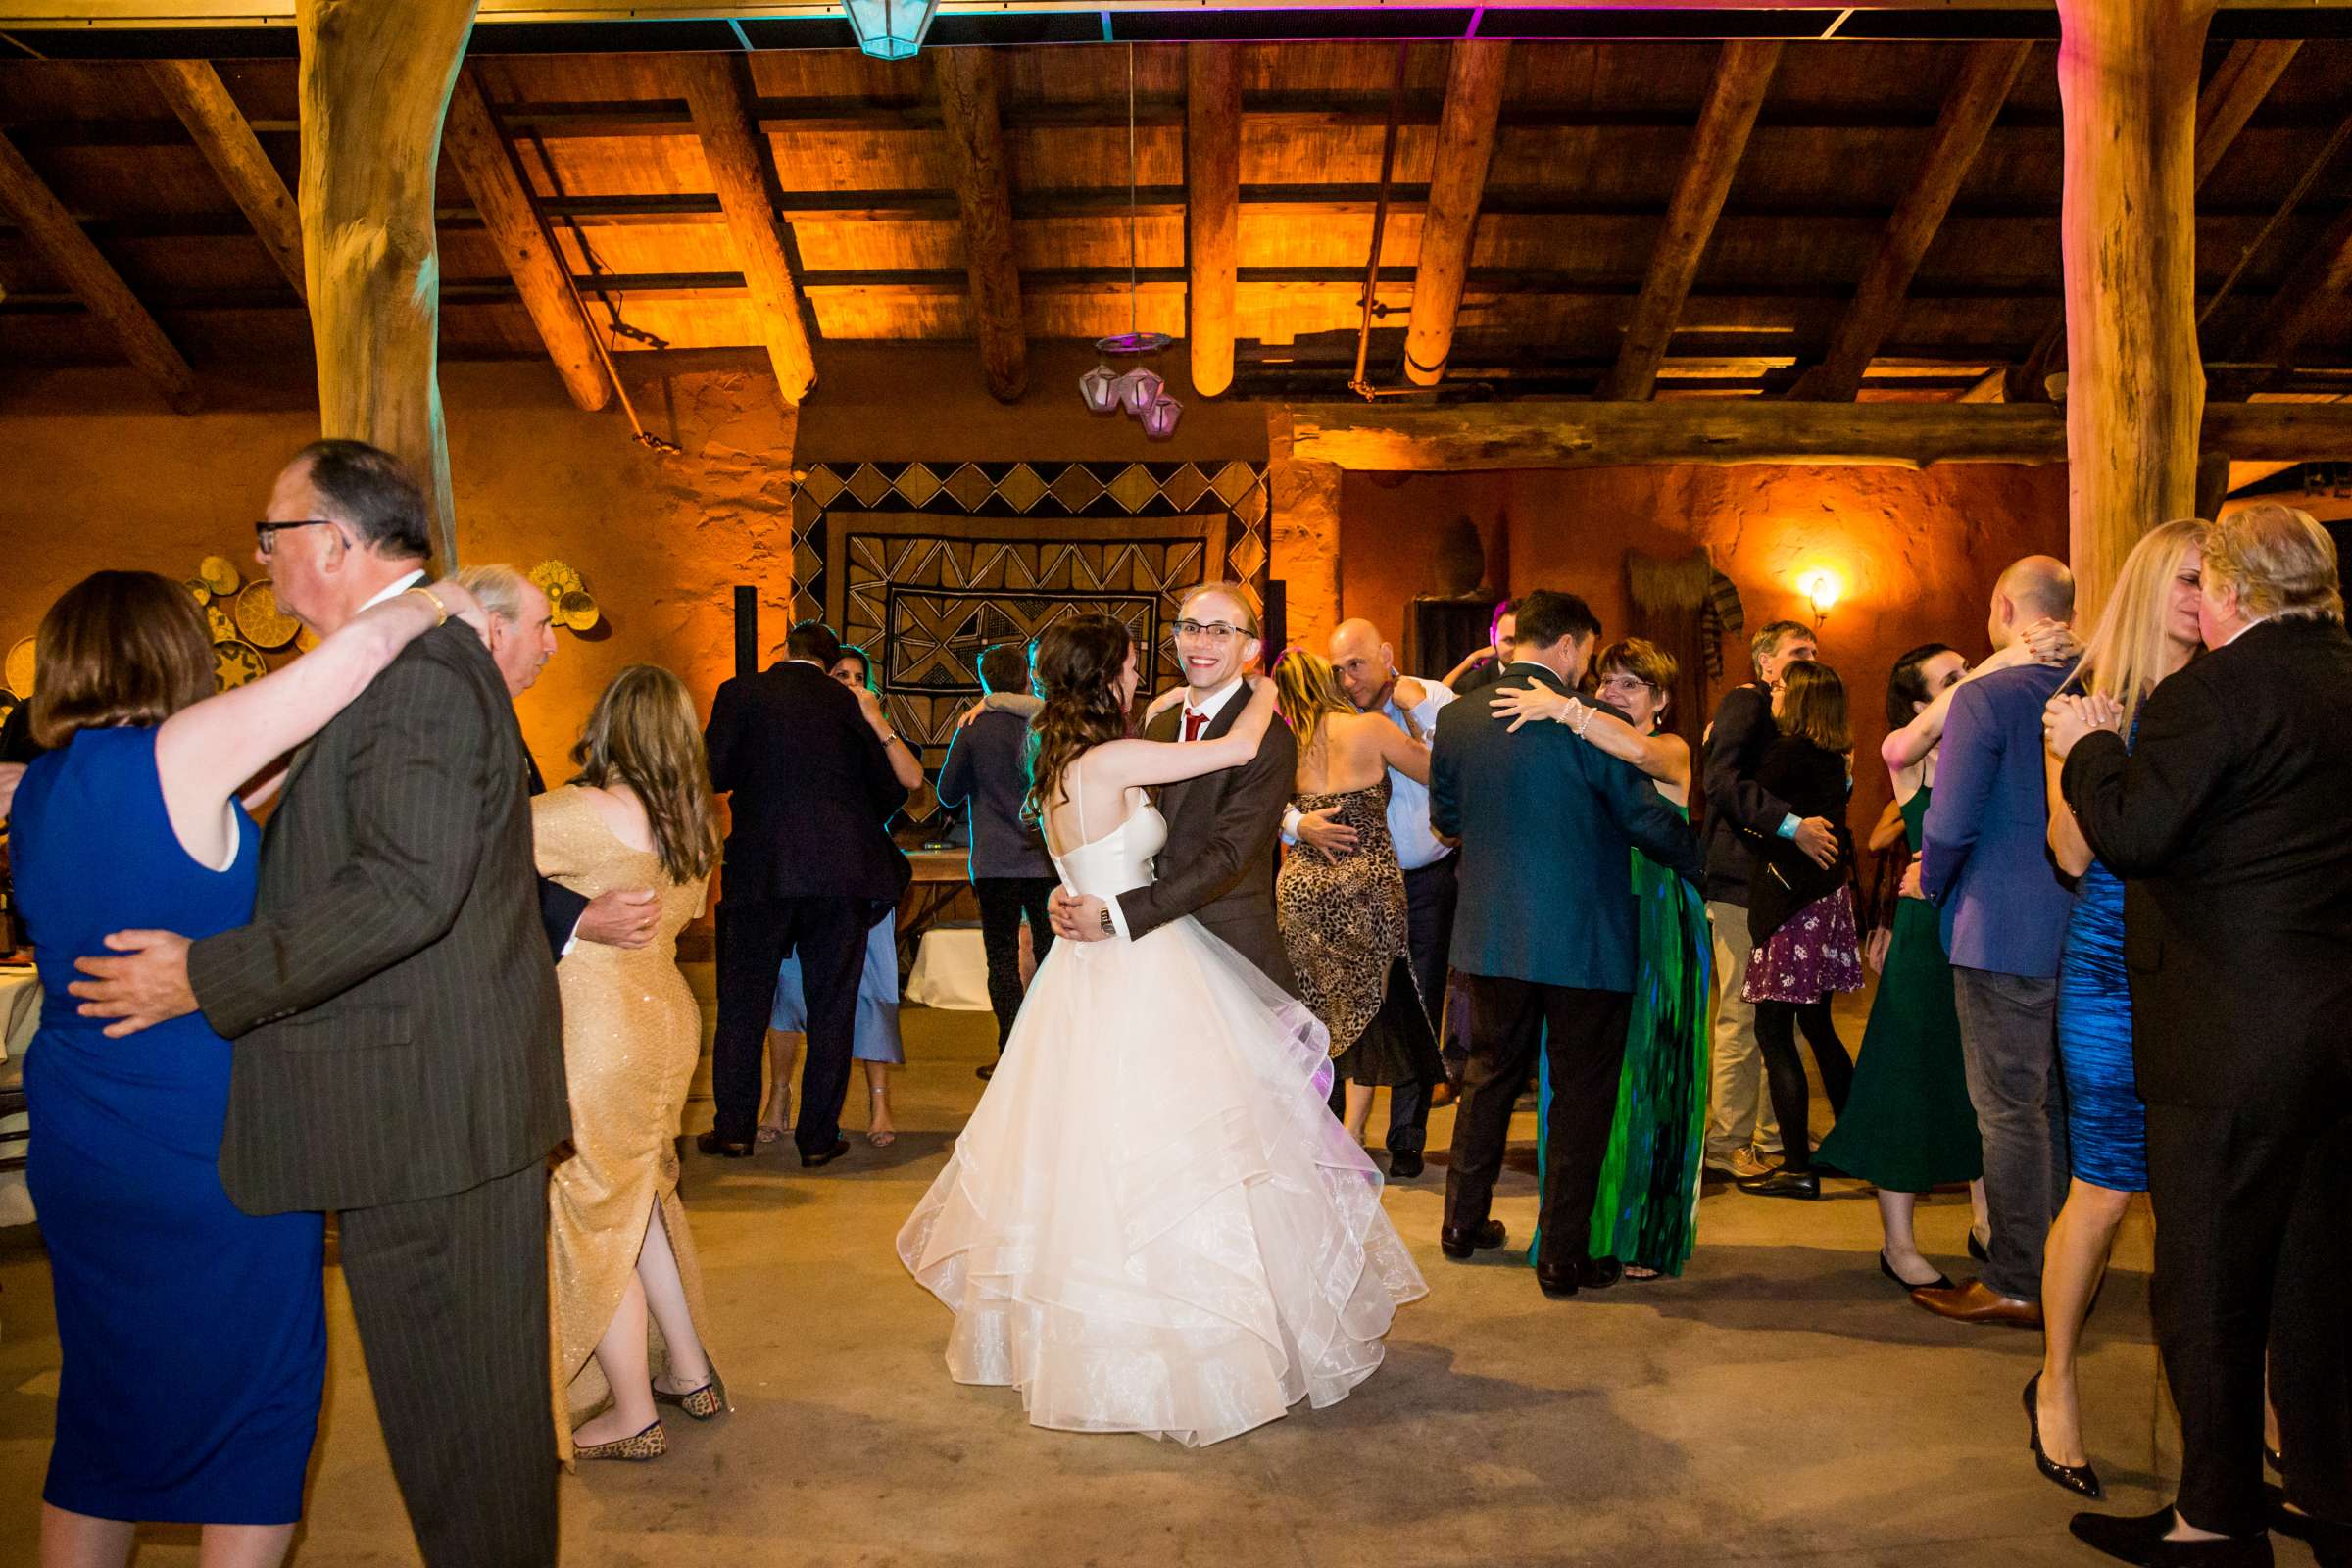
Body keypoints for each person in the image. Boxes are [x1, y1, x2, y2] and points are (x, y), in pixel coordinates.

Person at [69, 440, 569, 1568]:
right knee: (457, 1440)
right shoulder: (387, 668)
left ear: (334, 542)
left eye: (271, 532)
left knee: (469, 1451)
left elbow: (404, 890)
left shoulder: (415, 677)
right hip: (418, 1112)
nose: (259, 555)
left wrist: (202, 974)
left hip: (429, 1121)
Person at [14, 566, 480, 1568]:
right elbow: (350, 661)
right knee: (259, 1409)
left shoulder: (44, 785)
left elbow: (250, 784)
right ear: (175, 650)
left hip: (83, 1138)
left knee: (106, 1408)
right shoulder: (178, 755)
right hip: (204, 1142)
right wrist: (431, 599)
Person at [898, 614, 1425, 1445]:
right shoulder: (1114, 756)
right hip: (1140, 960)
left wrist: (1076, 899)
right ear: (1109, 675)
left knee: (1093, 1146)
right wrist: (1257, 683)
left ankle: (1086, 1337)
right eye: (1140, 663)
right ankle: (1181, 1342)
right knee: (1178, 1142)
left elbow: (1081, 858)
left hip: (1090, 965)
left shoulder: (1058, 757)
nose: (1149, 674)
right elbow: (1237, 751)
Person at [2051, 504, 2352, 1568]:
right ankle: (2327, 1492)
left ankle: (2216, 1517)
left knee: (2209, 1287)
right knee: (2317, 1280)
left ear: (2228, 591)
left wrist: (2089, 749)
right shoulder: (2342, 675)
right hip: (2330, 1033)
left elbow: (2130, 834)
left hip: (2226, 1037)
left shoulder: (2208, 692)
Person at [1430, 590, 1705, 1298]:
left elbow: (1447, 817)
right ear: (1569, 645)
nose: (1588, 668)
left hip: (1492, 934)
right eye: (1587, 653)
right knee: (1581, 1096)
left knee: (1487, 1076)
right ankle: (1561, 1256)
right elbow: (1644, 819)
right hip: (1585, 938)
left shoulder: (1458, 718)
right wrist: (1704, 860)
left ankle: (1461, 1225)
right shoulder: (1594, 724)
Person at [2028, 519, 2208, 1502]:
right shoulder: (2089, 699)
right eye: (2185, 578)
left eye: (2211, 580)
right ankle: (2055, 1382)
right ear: (2149, 586)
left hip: (2204, 972)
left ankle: (2240, 1403)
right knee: (2103, 1193)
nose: (2199, 594)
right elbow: (2068, 851)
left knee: (2204, 1200)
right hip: (2107, 969)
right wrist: (2086, 754)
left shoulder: (2229, 691)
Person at [538, 663, 728, 1464]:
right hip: (669, 1019)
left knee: (593, 1213)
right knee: (639, 1200)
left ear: (606, 724)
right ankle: (690, 1371)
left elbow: (465, 869)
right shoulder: (696, 827)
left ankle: (630, 1412)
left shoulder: (568, 816)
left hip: (599, 1029)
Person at [1489, 636, 1713, 1278]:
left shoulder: (1668, 748)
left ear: (1661, 701)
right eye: (1607, 680)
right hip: (1591, 919)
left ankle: (1641, 1230)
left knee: (1650, 1070)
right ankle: (1575, 1231)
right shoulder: (1583, 742)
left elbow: (1640, 753)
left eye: (1630, 686)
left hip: (1659, 919)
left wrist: (1562, 710)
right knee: (1582, 1079)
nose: (1613, 693)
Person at [1910, 555, 2079, 1329]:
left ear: (2004, 606)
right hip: (2084, 928)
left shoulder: (1988, 695)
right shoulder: (2103, 684)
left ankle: (2016, 1278)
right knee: (2059, 1107)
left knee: (2010, 1111)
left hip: (2000, 925)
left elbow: (1948, 821)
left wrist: (1933, 881)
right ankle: (2063, 1267)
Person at [700, 619, 909, 1167]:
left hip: (759, 871)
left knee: (743, 1004)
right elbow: (887, 790)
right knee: (832, 1006)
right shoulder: (848, 704)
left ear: (784, 651)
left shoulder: (739, 693)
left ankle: (734, 1130)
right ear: (829, 659)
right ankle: (818, 1137)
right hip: (840, 876)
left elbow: (714, 772)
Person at [1811, 644, 1986, 1285]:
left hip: (1978, 927)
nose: (1968, 683)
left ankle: (1988, 1224)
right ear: (1920, 702)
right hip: (1924, 936)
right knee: (1907, 1080)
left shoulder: (1983, 747)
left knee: (1979, 1080)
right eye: (1951, 678)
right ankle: (1898, 1244)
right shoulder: (1909, 755)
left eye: (1969, 671)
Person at [1047, 583, 1298, 991]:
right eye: (1191, 628)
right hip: (1144, 953)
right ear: (1176, 638)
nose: (1202, 642)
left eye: (1220, 631)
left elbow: (1229, 858)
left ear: (1250, 651)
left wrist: (1115, 914)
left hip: (1230, 946)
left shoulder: (1270, 738)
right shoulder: (1158, 723)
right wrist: (1078, 884)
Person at [1269, 648, 1444, 1161]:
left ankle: (1312, 1131)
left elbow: (1255, 805)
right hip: (1366, 887)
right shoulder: (1368, 729)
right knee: (1369, 1007)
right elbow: (1438, 773)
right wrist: (1419, 720)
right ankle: (1353, 1133)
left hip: (1301, 889)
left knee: (1313, 1013)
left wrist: (1296, 821)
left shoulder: (1282, 745)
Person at [454, 564, 662, 961]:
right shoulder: (460, 716)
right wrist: (577, 917)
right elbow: (471, 855)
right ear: (497, 630)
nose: (553, 645)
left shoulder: (487, 708)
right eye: (542, 626)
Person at [1306, 615, 1459, 1149]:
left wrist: (1420, 717)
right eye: (1340, 670)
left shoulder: (1436, 698)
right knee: (1351, 1005)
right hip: (1355, 891)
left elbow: (1461, 773)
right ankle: (1340, 1127)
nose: (1350, 680)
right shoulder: (1327, 722)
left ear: (1387, 653)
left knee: (1418, 1002)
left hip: (1424, 881)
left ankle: (1408, 1133)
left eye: (1358, 664)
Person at [760, 645, 912, 1150]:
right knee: (789, 989)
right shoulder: (810, 731)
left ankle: (880, 1100)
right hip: (807, 881)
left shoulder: (873, 729)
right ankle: (778, 1095)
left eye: (857, 676)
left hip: (865, 883)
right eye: (839, 675)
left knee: (875, 990)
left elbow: (913, 781)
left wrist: (876, 720)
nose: (848, 682)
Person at [1697, 619, 1833, 1184]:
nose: (1810, 658)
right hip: (1739, 881)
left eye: (1815, 650)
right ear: (1764, 663)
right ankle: (1727, 1142)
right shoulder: (1746, 704)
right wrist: (1792, 824)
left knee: (1778, 1017)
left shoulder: (1798, 718)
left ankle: (1774, 1133)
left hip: (1779, 888)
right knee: (1741, 1012)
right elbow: (1720, 781)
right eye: (1797, 651)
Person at [1733, 661, 1863, 1201]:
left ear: (1804, 699)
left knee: (1773, 1033)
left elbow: (1747, 810)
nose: (1773, 693)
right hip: (1823, 902)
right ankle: (1856, 1142)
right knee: (1818, 1027)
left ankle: (1797, 1165)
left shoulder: (1787, 754)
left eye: (1782, 686)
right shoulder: (1833, 759)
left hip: (1792, 905)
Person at [937, 639, 1054, 1083]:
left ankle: (1008, 1050)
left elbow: (946, 793)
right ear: (1026, 674)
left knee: (1001, 957)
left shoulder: (974, 730)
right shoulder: (1046, 725)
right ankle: (1046, 1049)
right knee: (1049, 955)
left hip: (993, 861)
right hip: (1044, 859)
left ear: (986, 680)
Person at [1443, 597, 1517, 695]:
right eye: (1510, 640)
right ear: (1492, 637)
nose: (1519, 649)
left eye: (1525, 640)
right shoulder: (1472, 683)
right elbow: (1440, 698)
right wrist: (1473, 658)